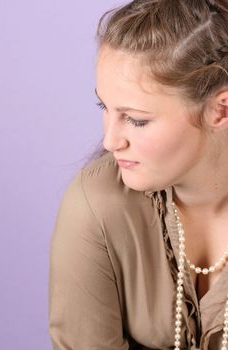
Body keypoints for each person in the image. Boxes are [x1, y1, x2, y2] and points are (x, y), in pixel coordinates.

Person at [48, 0, 228, 349]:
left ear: (221, 109)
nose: (111, 140)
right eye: (105, 107)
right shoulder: (97, 204)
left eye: (137, 119)